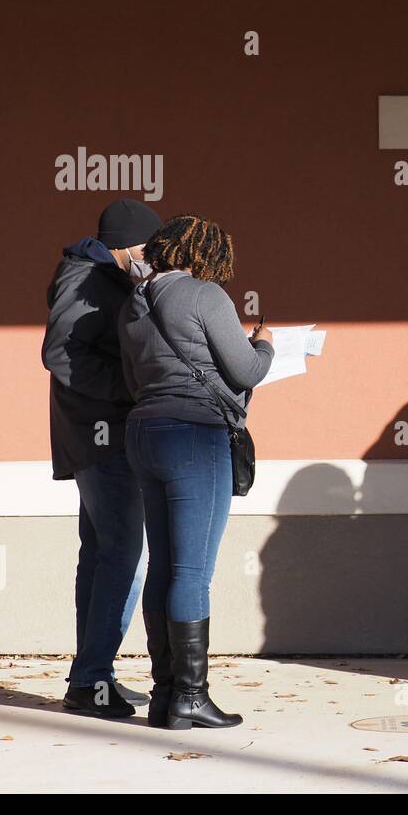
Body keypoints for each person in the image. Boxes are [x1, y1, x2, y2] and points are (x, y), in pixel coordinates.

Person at [118, 215, 273, 729]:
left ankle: (165, 696)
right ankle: (191, 695)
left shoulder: (133, 302)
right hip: (193, 437)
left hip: (143, 434)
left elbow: (131, 378)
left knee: (162, 568)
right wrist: (266, 343)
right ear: (205, 255)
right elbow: (246, 371)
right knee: (192, 573)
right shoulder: (205, 296)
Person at [43, 198, 161, 718]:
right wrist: (130, 385)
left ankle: (90, 677)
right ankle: (91, 679)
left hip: (96, 433)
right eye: (149, 251)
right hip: (100, 435)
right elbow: (59, 352)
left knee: (100, 554)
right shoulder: (87, 277)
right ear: (127, 247)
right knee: (121, 555)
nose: (152, 261)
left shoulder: (98, 274)